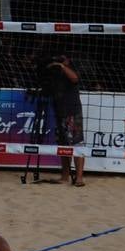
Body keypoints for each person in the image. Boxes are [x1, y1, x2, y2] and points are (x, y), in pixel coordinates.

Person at [42, 47, 86, 186]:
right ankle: (65, 176)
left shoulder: (71, 69)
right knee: (63, 145)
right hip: (59, 112)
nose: (58, 61)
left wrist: (62, 66)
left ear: (67, 60)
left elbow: (75, 79)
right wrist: (50, 66)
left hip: (72, 112)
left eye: (62, 59)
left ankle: (79, 178)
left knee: (77, 144)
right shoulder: (54, 73)